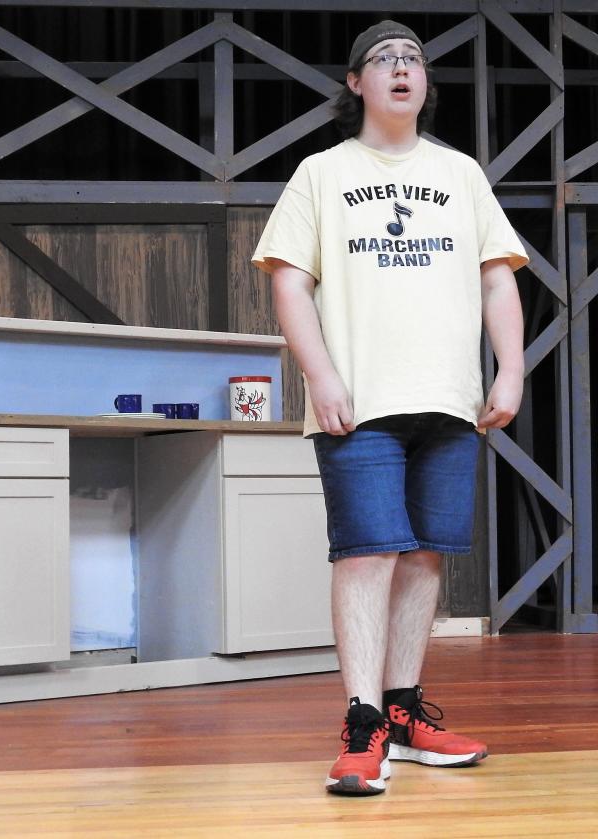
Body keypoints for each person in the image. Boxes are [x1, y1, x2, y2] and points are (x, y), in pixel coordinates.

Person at [251, 20, 527, 796]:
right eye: (385, 59)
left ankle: (405, 715)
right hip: (359, 400)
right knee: (367, 551)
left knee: (423, 554)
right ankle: (363, 721)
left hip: (447, 398)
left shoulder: (461, 173)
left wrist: (511, 369)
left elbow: (498, 277)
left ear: (424, 84)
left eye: (413, 59)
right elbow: (287, 282)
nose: (402, 69)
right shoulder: (321, 173)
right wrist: (321, 374)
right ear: (356, 83)